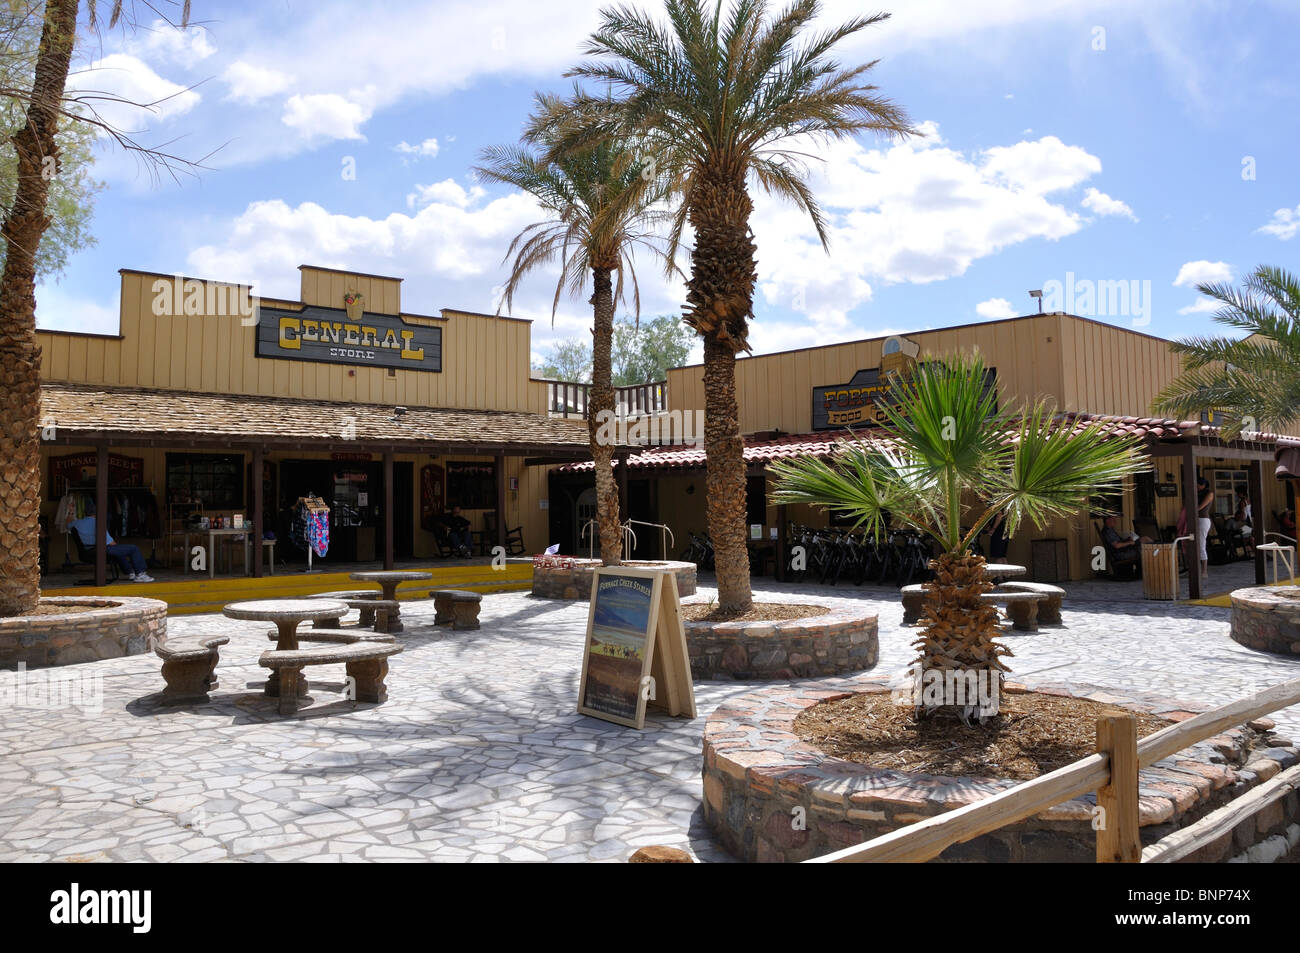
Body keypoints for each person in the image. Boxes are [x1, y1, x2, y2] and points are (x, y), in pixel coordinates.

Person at [69, 503, 154, 582]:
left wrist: (71, 512)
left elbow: (67, 523)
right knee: (133, 548)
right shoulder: (98, 523)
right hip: (99, 551)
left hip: (86, 552)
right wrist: (118, 548)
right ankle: (140, 574)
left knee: (118, 550)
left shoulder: (76, 523)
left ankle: (130, 572)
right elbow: (111, 543)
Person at [1195, 475, 1214, 582]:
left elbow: (1200, 507)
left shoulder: (1209, 493)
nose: (1196, 487)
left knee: (1201, 544)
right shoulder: (1197, 493)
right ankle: (1196, 568)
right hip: (1195, 519)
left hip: (1203, 520)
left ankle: (1204, 571)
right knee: (1193, 543)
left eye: (1198, 485)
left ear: (1203, 485)